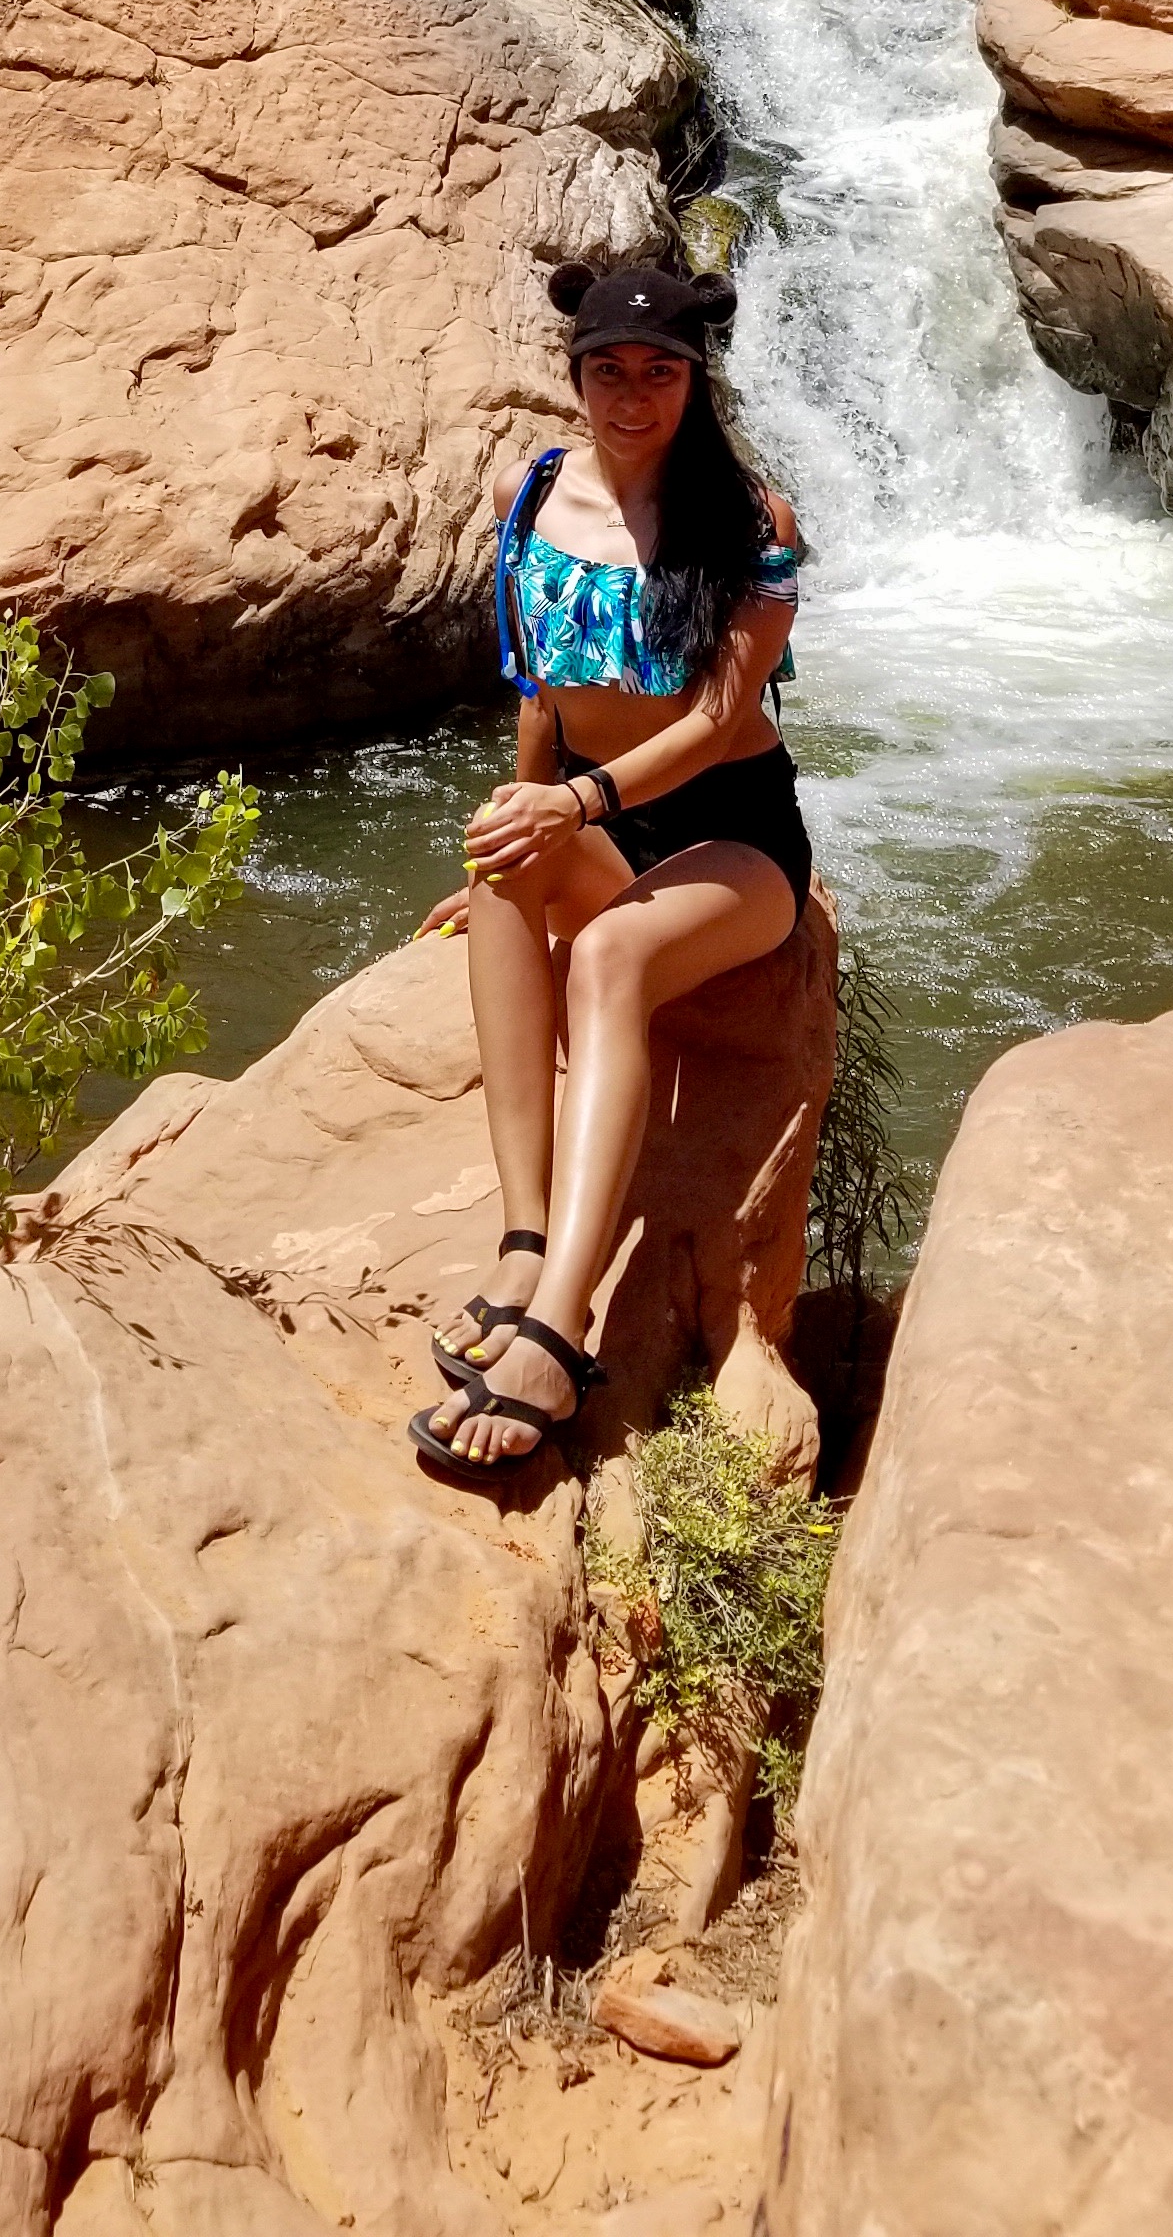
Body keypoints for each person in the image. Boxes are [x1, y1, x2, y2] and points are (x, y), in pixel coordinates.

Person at [406, 260, 810, 1485]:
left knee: (616, 952)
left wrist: (576, 802)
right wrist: (529, 822)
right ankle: (528, 1237)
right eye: (608, 370)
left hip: (733, 839)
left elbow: (715, 720)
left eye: (660, 371)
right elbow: (536, 687)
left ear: (695, 378)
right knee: (497, 862)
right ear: (574, 374)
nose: (632, 393)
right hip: (595, 813)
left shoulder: (750, 523)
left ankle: (561, 1324)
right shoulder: (525, 487)